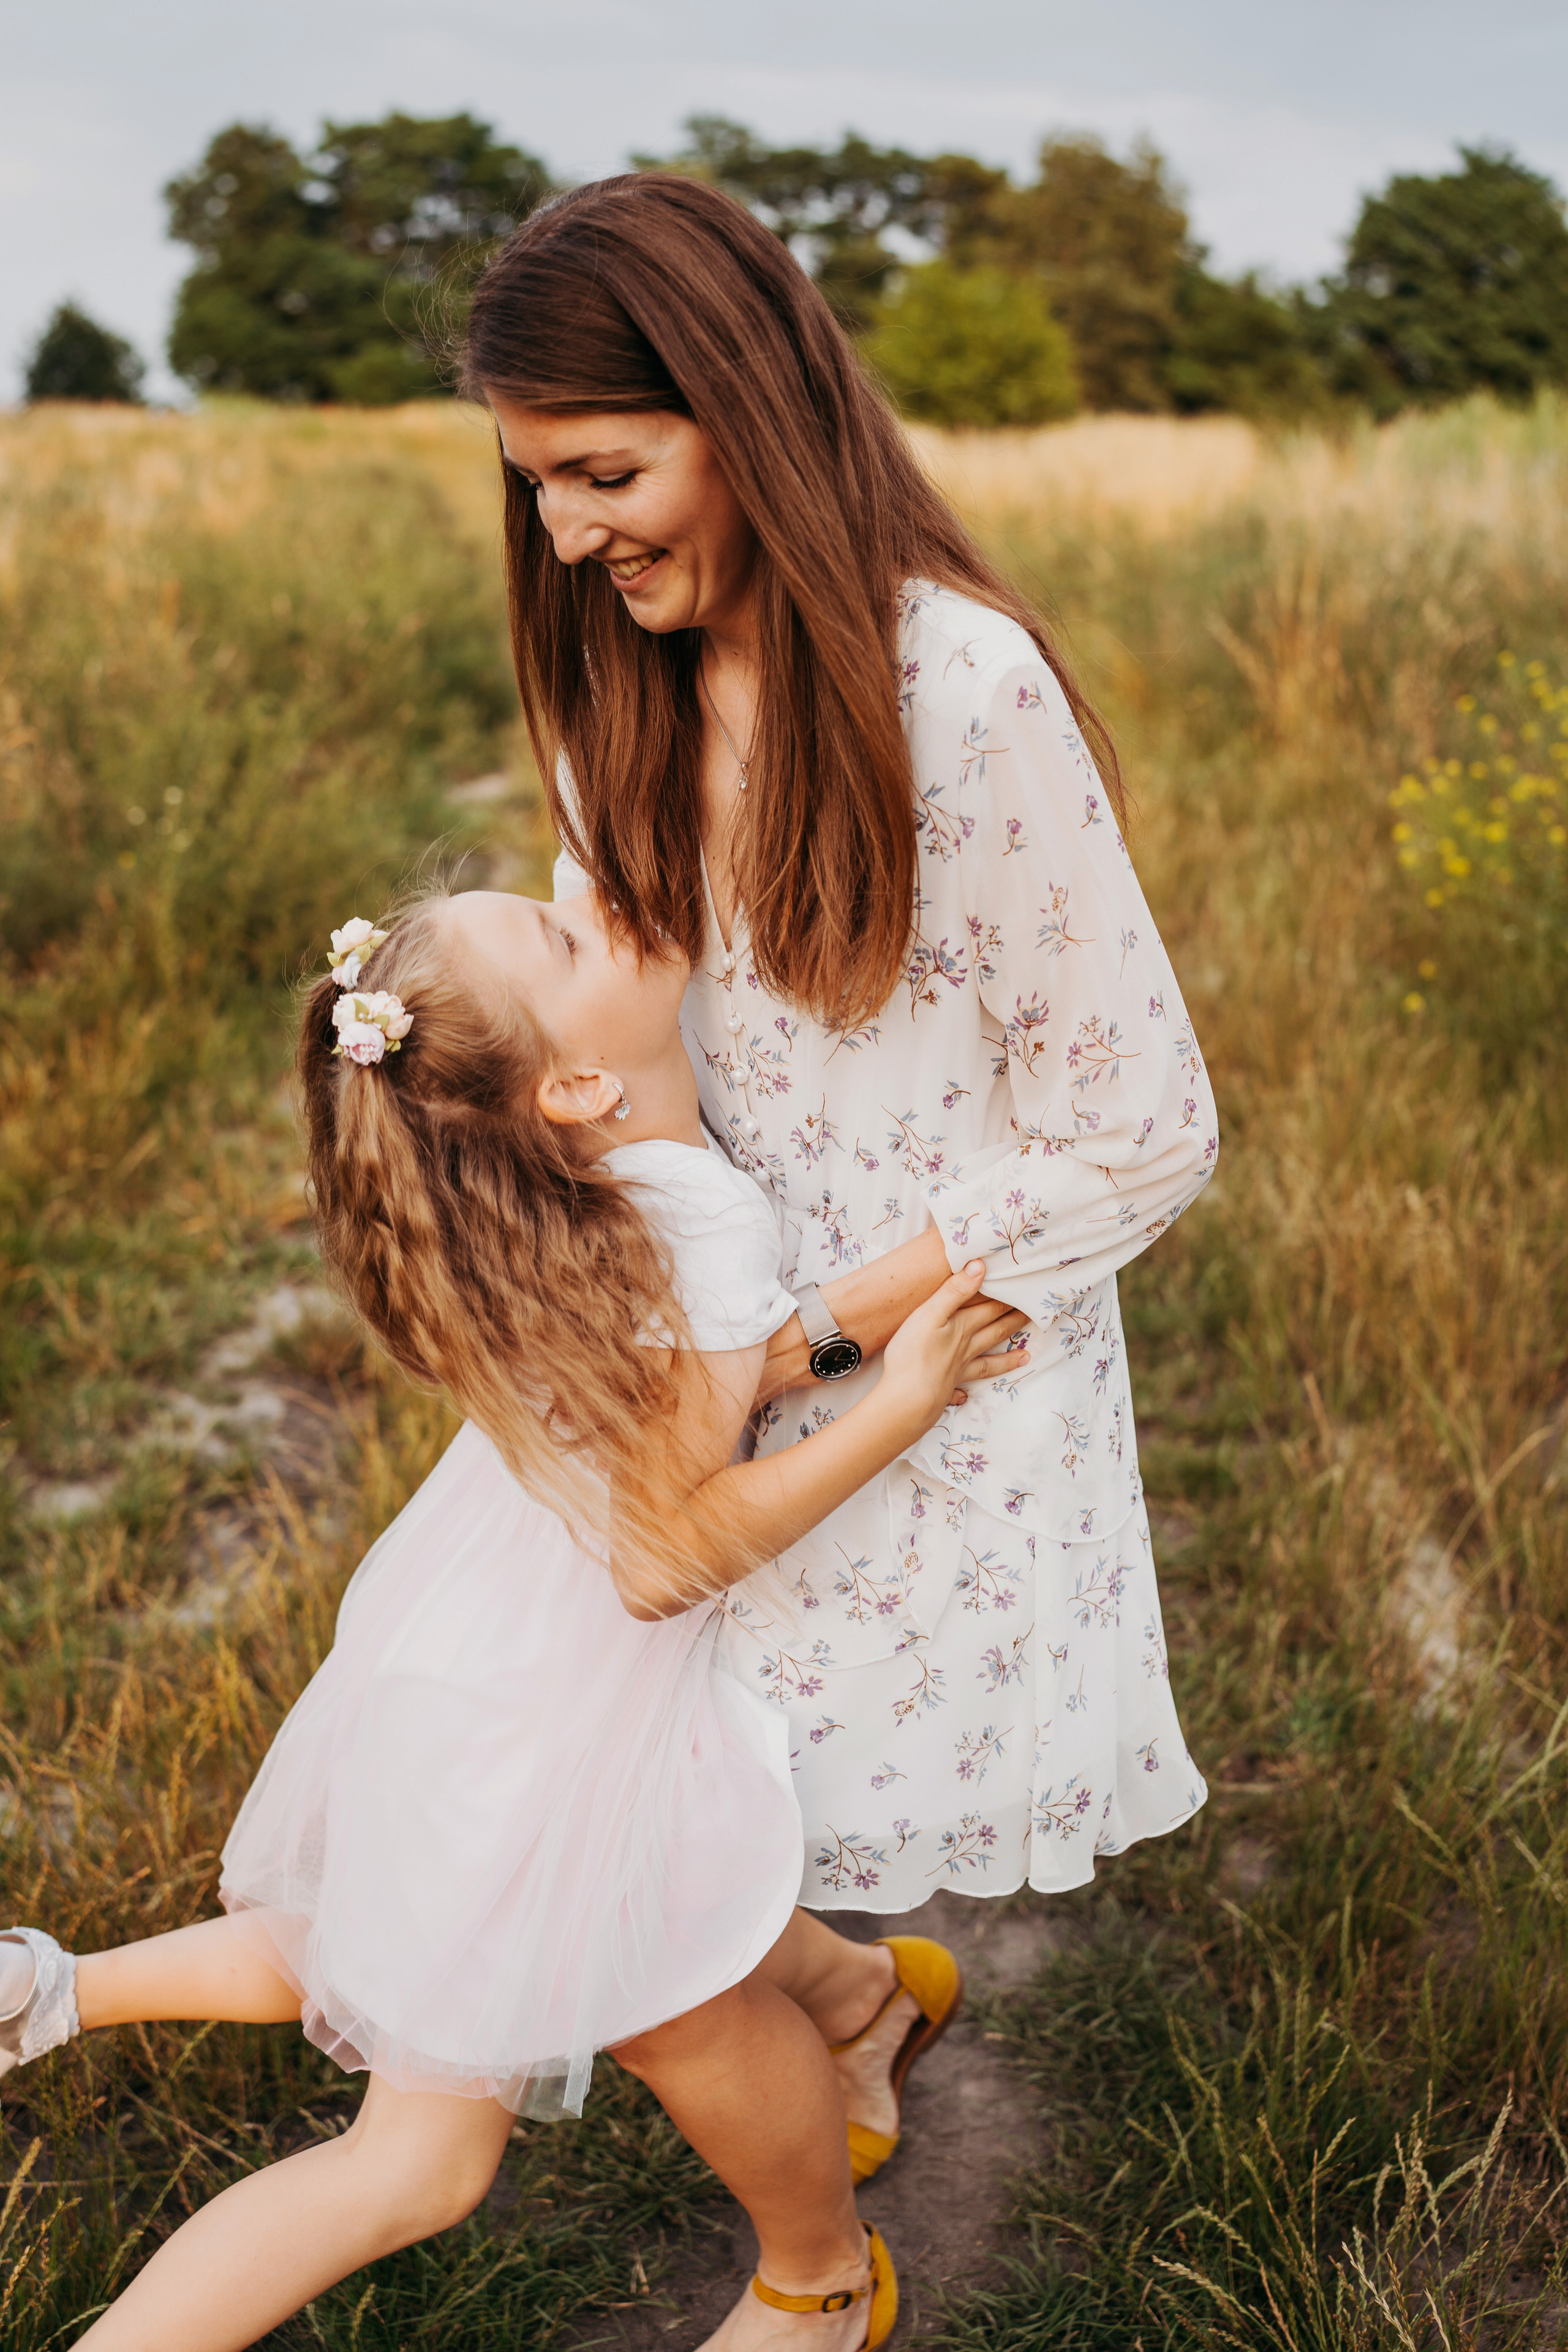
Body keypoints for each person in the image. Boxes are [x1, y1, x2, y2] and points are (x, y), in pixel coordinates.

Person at [459, 169, 1220, 2186]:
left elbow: (1142, 1124)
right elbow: (609, 1036)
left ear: (745, 412)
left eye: (608, 472)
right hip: (694, 1353)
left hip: (911, 1369)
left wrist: (810, 1338)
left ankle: (819, 2241)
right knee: (614, 1789)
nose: (567, 534)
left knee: (683, 1828)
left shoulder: (957, 690)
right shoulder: (611, 685)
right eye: (535, 485)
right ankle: (856, 2015)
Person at [1, 883, 1031, 2352]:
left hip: (460, 1654)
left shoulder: (550, 1208)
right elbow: (664, 1557)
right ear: (578, 1087)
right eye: (560, 938)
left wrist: (968, 1237)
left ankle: (48, 1992)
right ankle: (824, 2281)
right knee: (572, 2054)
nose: (592, 902)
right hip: (568, 1704)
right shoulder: (688, 1213)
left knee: (398, 1936)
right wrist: (904, 1402)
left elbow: (722, 1373)